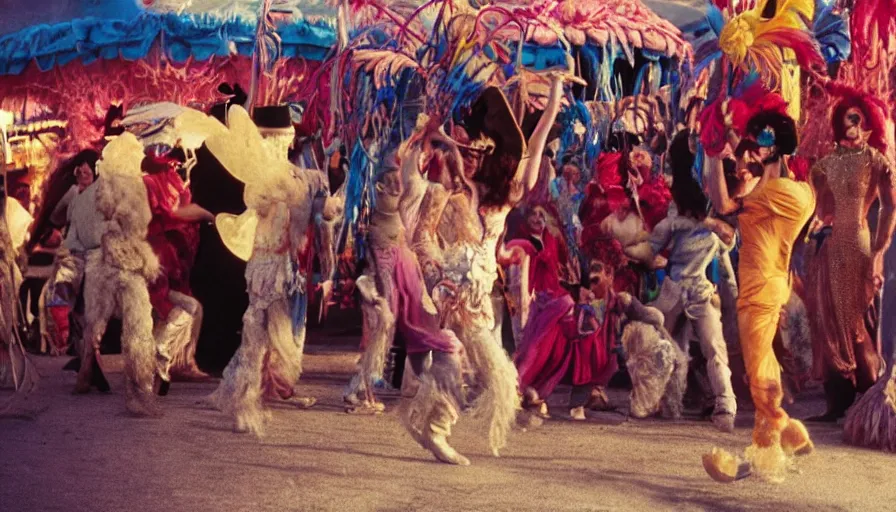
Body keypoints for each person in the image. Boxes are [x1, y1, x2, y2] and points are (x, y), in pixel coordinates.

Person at [703, 95, 815, 482]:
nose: (756, 147)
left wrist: (715, 149)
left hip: (763, 288)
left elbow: (723, 200)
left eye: (763, 141)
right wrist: (725, 132)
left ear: (778, 148)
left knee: (757, 370)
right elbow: (733, 196)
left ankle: (782, 429)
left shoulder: (786, 193)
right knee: (761, 365)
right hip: (763, 286)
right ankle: (772, 446)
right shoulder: (777, 191)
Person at [804, 88, 896, 422]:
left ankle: (870, 396)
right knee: (826, 322)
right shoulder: (825, 163)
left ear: (871, 123)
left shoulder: (877, 161)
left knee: (855, 322)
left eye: (858, 120)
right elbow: (813, 205)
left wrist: (879, 251)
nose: (852, 126)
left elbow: (890, 207)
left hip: (857, 245)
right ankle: (837, 401)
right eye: (847, 120)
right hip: (827, 247)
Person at [647, 130, 737, 432]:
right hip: (673, 290)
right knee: (668, 348)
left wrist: (712, 224)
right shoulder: (678, 208)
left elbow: (727, 245)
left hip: (700, 290)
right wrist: (649, 256)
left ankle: (725, 403)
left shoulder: (717, 211)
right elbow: (657, 241)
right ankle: (665, 401)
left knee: (714, 347)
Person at [140, 144, 215, 393]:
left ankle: (178, 362)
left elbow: (180, 207)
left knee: (194, 309)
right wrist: (206, 214)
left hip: (170, 260)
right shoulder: (149, 183)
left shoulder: (171, 178)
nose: (176, 164)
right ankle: (160, 359)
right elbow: (173, 212)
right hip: (154, 260)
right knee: (183, 311)